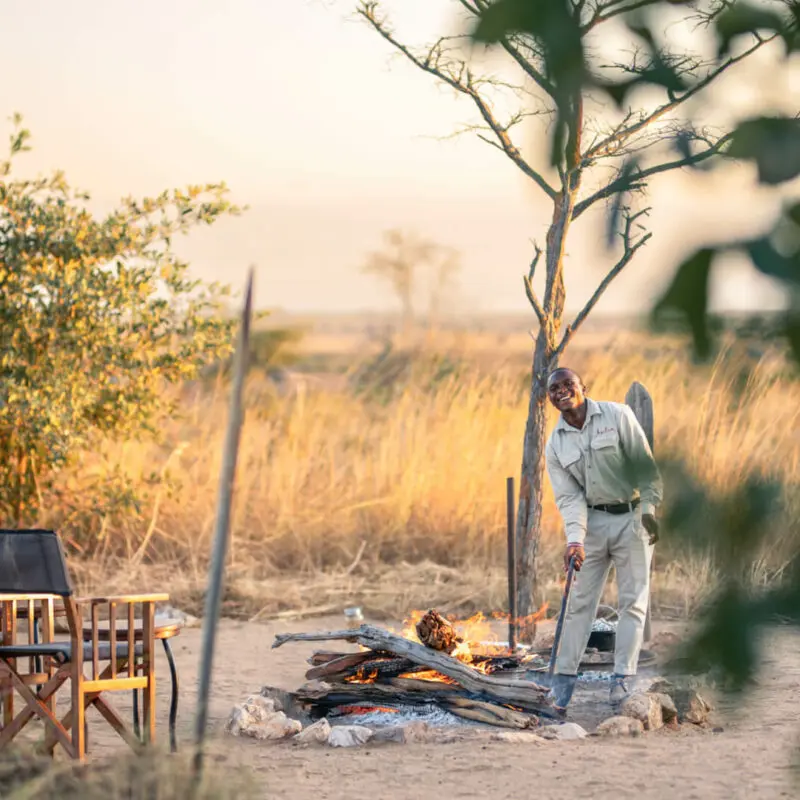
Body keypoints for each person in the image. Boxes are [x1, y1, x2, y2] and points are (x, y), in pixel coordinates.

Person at [544, 367, 662, 712]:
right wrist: (575, 541)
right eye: (554, 388)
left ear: (583, 388)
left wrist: (649, 512)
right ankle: (563, 681)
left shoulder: (617, 415)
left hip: (633, 517)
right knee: (579, 603)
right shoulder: (556, 445)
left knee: (633, 601)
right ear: (549, 398)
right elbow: (569, 499)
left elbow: (646, 469)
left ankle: (623, 679)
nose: (562, 391)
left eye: (568, 384)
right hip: (593, 524)